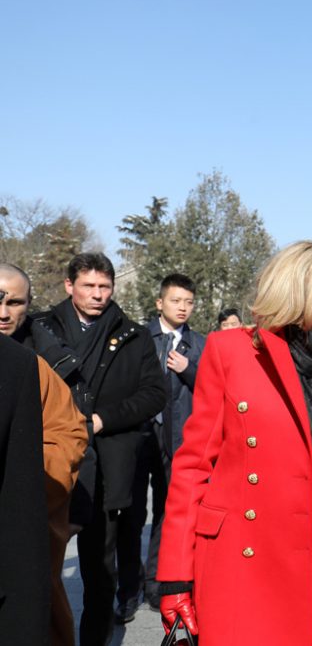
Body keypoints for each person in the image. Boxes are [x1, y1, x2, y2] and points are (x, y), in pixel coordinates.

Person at [156, 241, 312, 645]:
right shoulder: (233, 351)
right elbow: (193, 468)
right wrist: (174, 574)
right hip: (246, 552)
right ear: (293, 292)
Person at [33, 252, 166, 646]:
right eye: (88, 286)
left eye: (104, 286)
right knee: (39, 563)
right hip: (50, 461)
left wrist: (102, 419)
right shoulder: (40, 328)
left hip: (108, 464)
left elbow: (154, 393)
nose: (97, 294)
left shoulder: (133, 334)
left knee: (99, 569)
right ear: (69, 286)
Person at [0, 266, 89, 646]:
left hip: (20, 521)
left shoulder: (36, 363)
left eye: (14, 302)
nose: (4, 312)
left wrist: (22, 484)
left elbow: (68, 435)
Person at [117, 273, 206, 619]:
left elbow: (212, 386)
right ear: (159, 303)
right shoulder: (139, 338)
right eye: (175, 301)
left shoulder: (199, 344)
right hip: (139, 436)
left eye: (188, 302)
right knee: (132, 515)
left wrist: (188, 369)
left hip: (180, 439)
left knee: (169, 514)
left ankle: (157, 582)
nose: (182, 308)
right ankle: (128, 588)